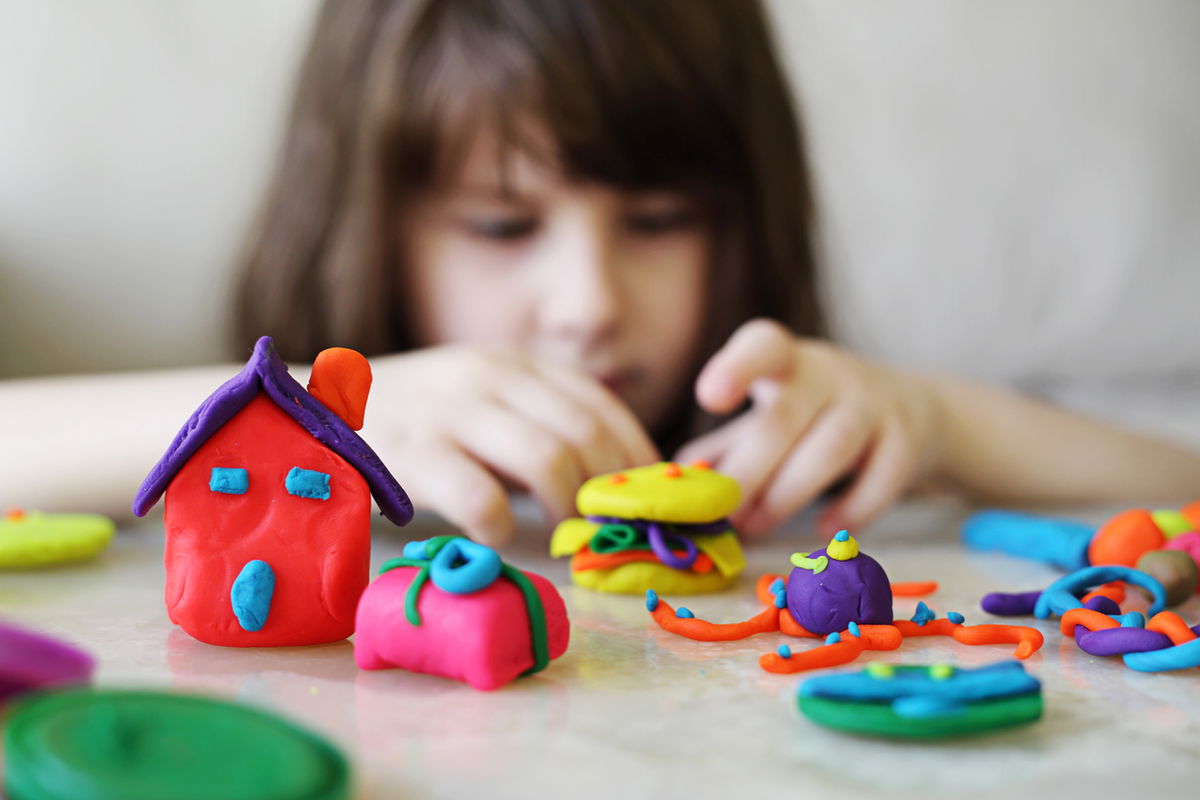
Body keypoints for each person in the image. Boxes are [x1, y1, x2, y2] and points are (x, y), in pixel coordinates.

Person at [4, 0, 1200, 545]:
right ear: (371, 222)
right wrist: (303, 412)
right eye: (502, 224)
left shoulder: (790, 446)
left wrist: (941, 420)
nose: (588, 302)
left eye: (662, 216)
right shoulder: (290, 447)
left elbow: (1179, 476)